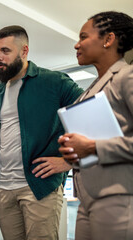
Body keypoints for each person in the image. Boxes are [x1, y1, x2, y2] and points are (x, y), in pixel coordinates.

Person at [0, 25, 83, 239]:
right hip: (3, 188)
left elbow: (91, 116)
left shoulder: (54, 82)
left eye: (6, 51)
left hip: (37, 188)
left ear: (24, 51)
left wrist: (68, 162)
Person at [58, 11, 133, 240]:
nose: (76, 44)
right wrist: (74, 152)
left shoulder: (126, 77)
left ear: (108, 40)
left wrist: (92, 147)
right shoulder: (88, 93)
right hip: (87, 199)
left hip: (119, 198)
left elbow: (95, 145)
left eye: (83, 37)